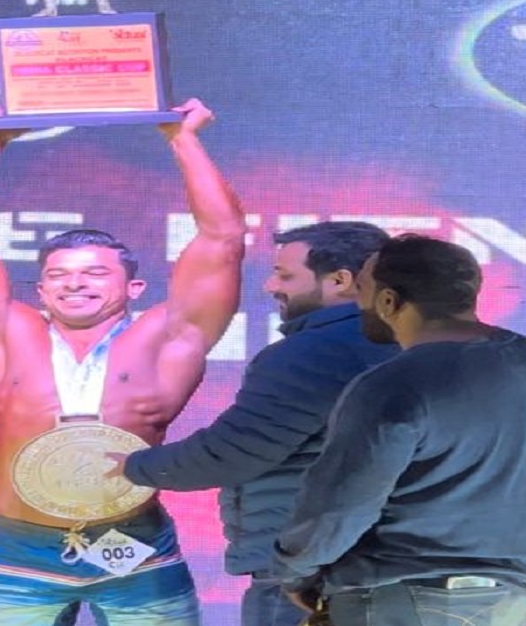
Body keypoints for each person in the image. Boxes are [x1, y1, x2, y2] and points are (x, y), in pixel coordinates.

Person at [0, 99, 246, 626]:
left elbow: (224, 239)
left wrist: (183, 139)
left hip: (134, 546)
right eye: (58, 275)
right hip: (18, 549)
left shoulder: (166, 337)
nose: (74, 283)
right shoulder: (6, 333)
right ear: (41, 290)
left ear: (134, 287)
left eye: (95, 273)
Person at [272, 234, 526, 626]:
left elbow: (338, 506)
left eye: (363, 290)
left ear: (389, 301)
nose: (357, 302)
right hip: (513, 601)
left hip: (401, 596)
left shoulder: (393, 385)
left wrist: (296, 571)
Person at [111, 221, 398, 626]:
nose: (270, 286)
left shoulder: (314, 352)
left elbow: (234, 452)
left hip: (310, 574)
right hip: (389, 567)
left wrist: (132, 466)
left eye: (285, 275)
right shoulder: (412, 344)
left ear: (340, 281)